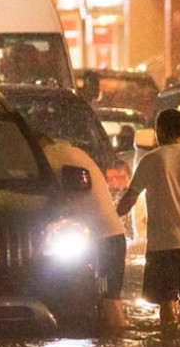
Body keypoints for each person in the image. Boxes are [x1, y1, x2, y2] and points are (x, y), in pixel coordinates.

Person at [116, 109, 180, 324]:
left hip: (164, 244)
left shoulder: (152, 159)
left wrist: (110, 216)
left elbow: (130, 199)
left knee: (166, 301)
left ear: (159, 131)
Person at [40, 137, 127, 329]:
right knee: (106, 297)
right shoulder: (74, 151)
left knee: (108, 298)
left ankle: (116, 343)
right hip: (108, 236)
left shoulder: (49, 157)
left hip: (103, 240)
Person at [103, 156, 135, 240]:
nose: (114, 182)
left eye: (119, 177)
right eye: (109, 179)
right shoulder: (105, 200)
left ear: (129, 176)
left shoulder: (139, 199)